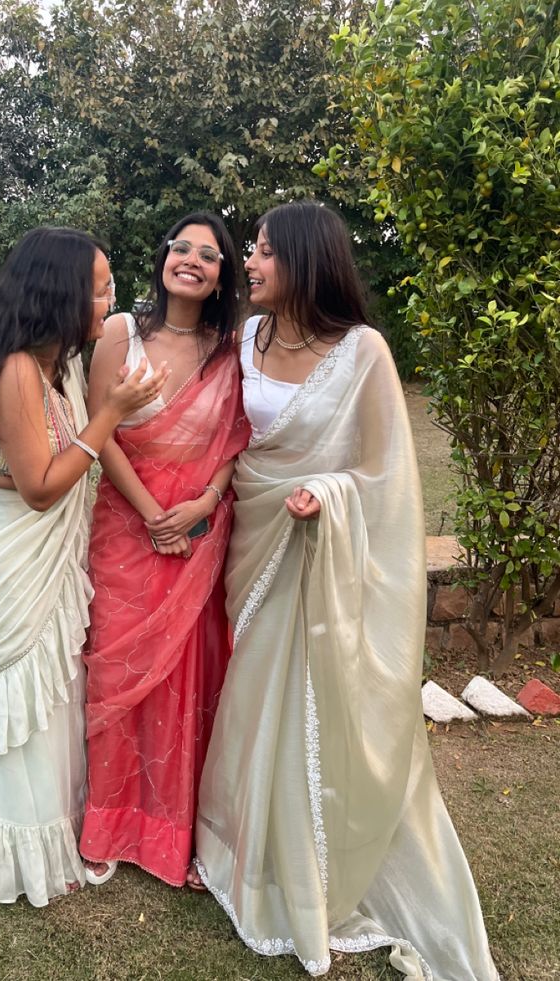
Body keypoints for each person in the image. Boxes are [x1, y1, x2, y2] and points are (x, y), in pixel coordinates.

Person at [195, 201, 499, 979]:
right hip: (253, 545)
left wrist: (325, 493)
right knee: (256, 699)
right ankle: (251, 854)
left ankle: (315, 866)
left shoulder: (363, 353)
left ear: (304, 260)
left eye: (262, 251)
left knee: (313, 701)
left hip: (322, 548)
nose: (248, 264)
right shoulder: (243, 340)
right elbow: (220, 438)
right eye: (249, 250)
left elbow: (385, 472)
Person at [0, 227, 169, 906]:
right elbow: (39, 486)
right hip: (7, 552)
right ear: (59, 293)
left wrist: (122, 407)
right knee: (21, 695)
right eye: (99, 288)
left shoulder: (51, 359)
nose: (110, 300)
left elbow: (62, 448)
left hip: (30, 550)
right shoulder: (13, 368)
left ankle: (56, 829)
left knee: (51, 691)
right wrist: (112, 414)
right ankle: (17, 850)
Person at [80, 212, 250, 889]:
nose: (191, 259)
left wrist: (204, 504)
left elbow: (239, 440)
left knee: (190, 683)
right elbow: (101, 432)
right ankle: (112, 824)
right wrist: (154, 516)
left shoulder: (230, 347)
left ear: (219, 277)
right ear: (163, 258)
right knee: (117, 677)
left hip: (198, 540)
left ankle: (183, 832)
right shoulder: (121, 332)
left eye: (208, 255)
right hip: (129, 530)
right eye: (182, 247)